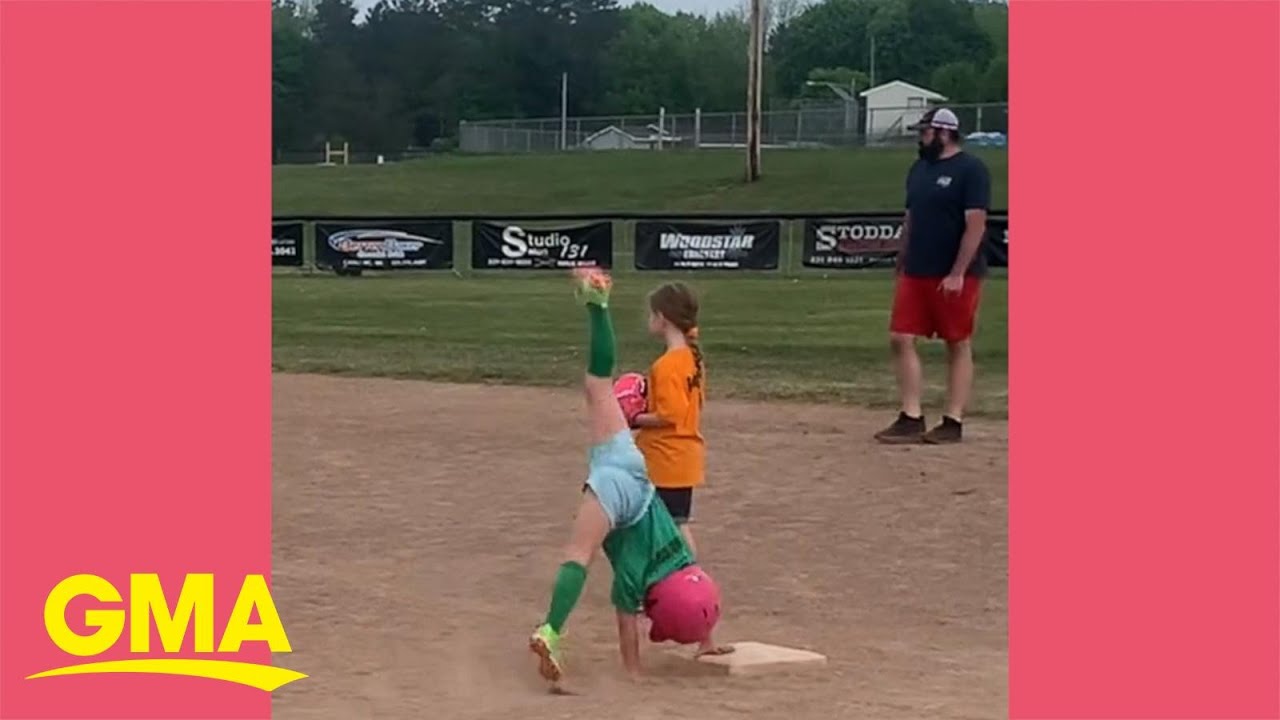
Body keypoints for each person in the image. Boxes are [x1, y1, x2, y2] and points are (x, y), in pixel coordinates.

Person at [528, 268, 729, 685]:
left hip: (633, 475)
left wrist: (633, 414)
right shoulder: (639, 577)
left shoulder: (676, 553)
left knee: (598, 384)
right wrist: (633, 670)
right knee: (579, 556)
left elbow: (664, 414)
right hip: (632, 486)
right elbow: (627, 614)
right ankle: (550, 629)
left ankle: (598, 305)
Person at [875, 107, 991, 445]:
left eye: (924, 132)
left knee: (956, 341)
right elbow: (911, 216)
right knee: (900, 336)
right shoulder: (919, 169)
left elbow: (975, 224)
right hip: (917, 268)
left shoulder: (971, 169)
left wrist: (958, 272)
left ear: (944, 133)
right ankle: (911, 416)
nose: (919, 139)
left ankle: (952, 419)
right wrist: (902, 252)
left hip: (954, 272)